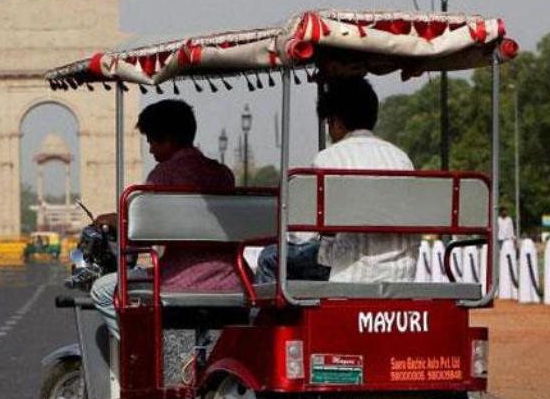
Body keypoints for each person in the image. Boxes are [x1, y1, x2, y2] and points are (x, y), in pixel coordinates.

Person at [91, 100, 239, 340]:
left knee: (102, 290)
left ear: (167, 139)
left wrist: (117, 221)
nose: (149, 150)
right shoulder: (222, 173)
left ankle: (137, 353)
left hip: (181, 279)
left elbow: (142, 235)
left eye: (151, 141)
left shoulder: (163, 175)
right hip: (231, 276)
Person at [256, 77, 418, 283]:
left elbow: (302, 236)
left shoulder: (328, 158)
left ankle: (276, 316)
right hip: (400, 272)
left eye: (330, 123)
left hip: (346, 271)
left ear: (337, 121)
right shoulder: (401, 159)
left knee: (270, 257)